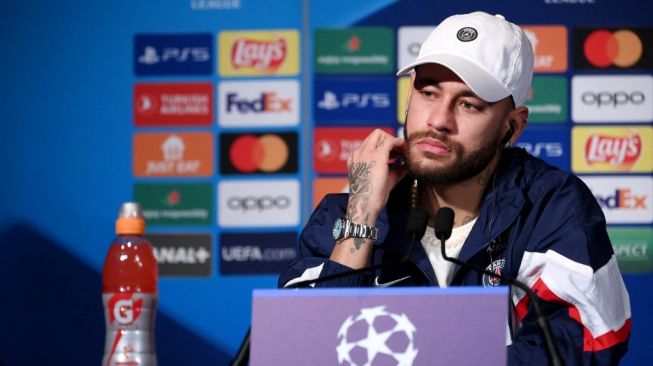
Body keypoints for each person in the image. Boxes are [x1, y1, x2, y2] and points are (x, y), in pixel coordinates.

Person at [278, 11, 631, 364]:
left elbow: (582, 346)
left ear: (512, 126)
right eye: (428, 92)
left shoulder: (550, 207)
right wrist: (363, 213)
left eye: (468, 104)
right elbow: (301, 350)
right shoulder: (348, 210)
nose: (438, 120)